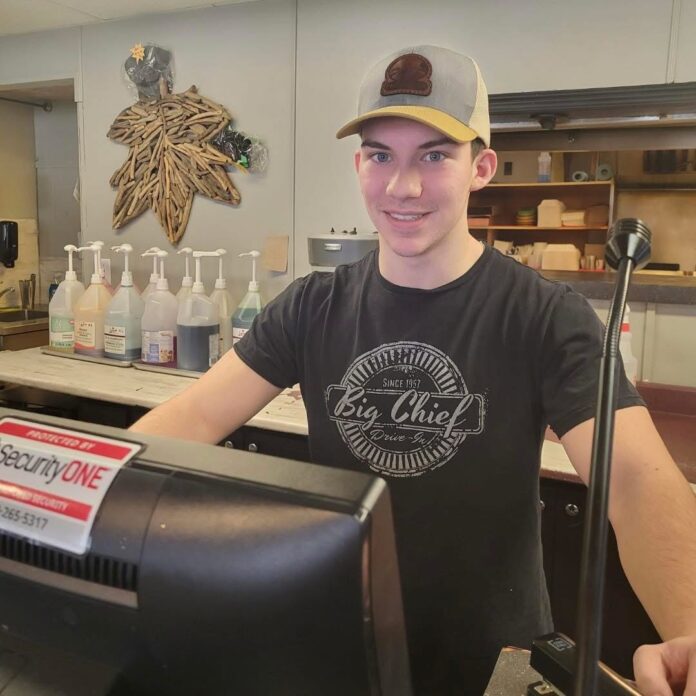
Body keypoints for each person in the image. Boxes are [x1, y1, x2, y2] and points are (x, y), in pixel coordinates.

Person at [131, 45, 696, 695]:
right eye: (381, 156)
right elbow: (195, 416)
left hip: (491, 661)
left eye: (433, 155)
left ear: (480, 167)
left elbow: (636, 482)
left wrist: (690, 628)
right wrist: (78, 496)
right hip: (344, 644)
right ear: (358, 165)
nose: (402, 186)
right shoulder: (312, 307)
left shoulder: (545, 316)